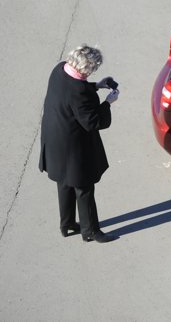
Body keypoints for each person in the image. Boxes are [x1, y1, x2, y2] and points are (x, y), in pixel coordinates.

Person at [39, 45, 120, 243]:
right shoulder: (80, 92)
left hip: (54, 139)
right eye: (93, 69)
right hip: (73, 147)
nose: (93, 72)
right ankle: (91, 231)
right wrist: (108, 102)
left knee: (64, 183)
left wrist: (97, 85)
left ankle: (66, 224)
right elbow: (92, 122)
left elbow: (74, 88)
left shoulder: (59, 70)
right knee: (84, 188)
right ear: (86, 68)